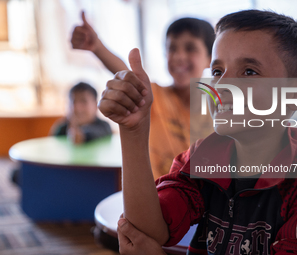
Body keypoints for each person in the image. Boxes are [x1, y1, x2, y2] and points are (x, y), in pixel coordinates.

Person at [99, 9, 297, 255]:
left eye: (249, 72)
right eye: (217, 72)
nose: (222, 85)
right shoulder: (202, 157)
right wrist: (133, 131)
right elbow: (147, 232)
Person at [71, 12, 214, 179]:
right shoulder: (155, 96)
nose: (179, 56)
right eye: (172, 48)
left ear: (210, 59)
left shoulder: (219, 107)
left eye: (190, 48)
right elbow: (126, 74)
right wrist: (97, 47)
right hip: (157, 198)